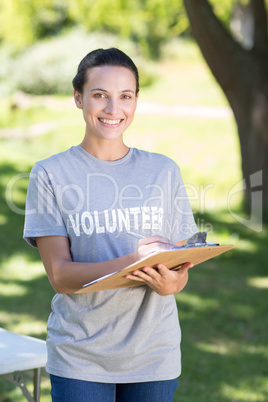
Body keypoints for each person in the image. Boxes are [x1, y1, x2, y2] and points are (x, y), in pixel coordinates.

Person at [23, 48, 198, 402]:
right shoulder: (51, 174)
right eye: (99, 95)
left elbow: (180, 268)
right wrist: (135, 262)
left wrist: (171, 283)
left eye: (125, 96)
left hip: (155, 355)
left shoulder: (163, 171)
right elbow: (60, 275)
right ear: (78, 98)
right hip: (80, 357)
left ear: (136, 101)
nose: (113, 109)